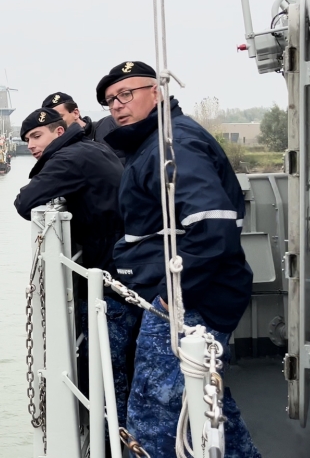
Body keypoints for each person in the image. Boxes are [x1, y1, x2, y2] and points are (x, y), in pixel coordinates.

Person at [98, 61, 259, 457]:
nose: (117, 106)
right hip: (189, 298)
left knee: (155, 414)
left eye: (126, 94)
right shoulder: (154, 143)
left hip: (190, 303)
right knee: (205, 399)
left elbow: (212, 223)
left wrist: (174, 296)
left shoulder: (173, 144)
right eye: (109, 101)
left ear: (157, 92)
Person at [13, 107, 140, 426]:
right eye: (27, 139)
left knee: (107, 370)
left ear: (59, 132)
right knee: (115, 365)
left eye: (36, 136)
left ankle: (115, 438)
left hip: (109, 275)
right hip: (125, 266)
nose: (30, 144)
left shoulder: (69, 159)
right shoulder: (91, 147)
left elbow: (24, 203)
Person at [43, 91, 124, 162]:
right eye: (51, 122)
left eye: (60, 118)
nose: (56, 125)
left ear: (76, 113)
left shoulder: (108, 125)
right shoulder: (60, 151)